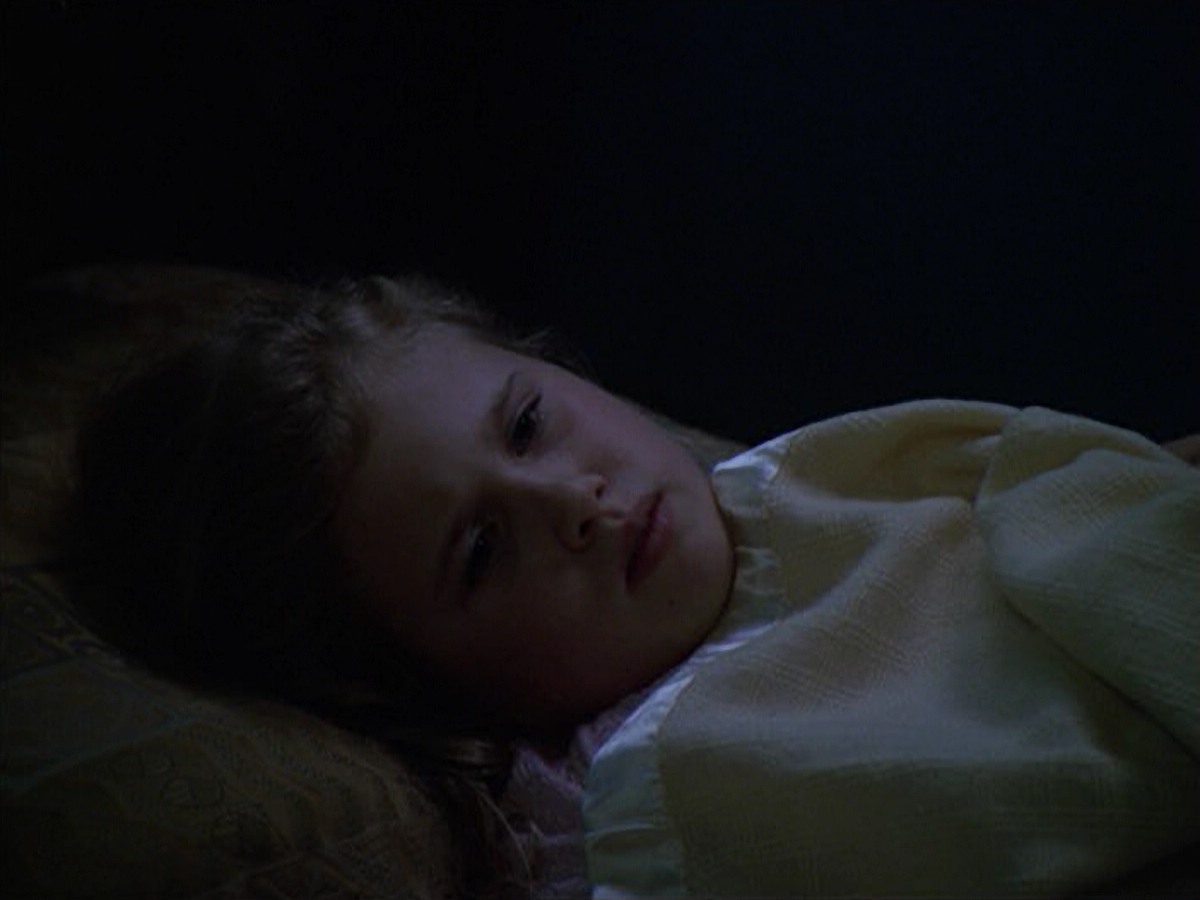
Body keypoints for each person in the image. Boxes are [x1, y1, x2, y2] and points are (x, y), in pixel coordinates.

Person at [70, 275, 1199, 898]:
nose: (574, 501)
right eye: (482, 552)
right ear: (418, 685)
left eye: (528, 423)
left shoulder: (816, 475)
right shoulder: (634, 812)